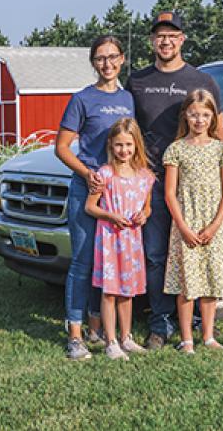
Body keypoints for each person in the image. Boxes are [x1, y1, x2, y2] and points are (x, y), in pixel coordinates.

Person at [118, 10, 223, 351]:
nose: (165, 41)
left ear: (181, 40)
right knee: (155, 254)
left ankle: (197, 326)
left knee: (196, 250)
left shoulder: (203, 81)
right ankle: (159, 324)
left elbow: (219, 133)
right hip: (151, 179)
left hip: (195, 183)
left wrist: (218, 172)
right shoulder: (137, 81)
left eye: (172, 35)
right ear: (153, 41)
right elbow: (127, 130)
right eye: (159, 36)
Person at [56, 35, 135, 361]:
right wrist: (87, 174)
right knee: (83, 261)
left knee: (108, 265)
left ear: (122, 60)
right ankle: (75, 334)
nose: (107, 63)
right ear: (93, 63)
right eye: (100, 58)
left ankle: (96, 328)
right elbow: (62, 147)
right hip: (88, 189)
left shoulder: (129, 99)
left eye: (113, 57)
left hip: (118, 193)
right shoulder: (82, 100)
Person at [162, 89, 223, 352]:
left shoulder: (220, 150)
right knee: (187, 284)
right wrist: (183, 227)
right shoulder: (176, 149)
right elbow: (170, 193)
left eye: (205, 115)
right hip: (186, 224)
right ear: (186, 116)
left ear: (213, 118)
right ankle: (186, 340)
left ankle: (208, 336)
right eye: (194, 115)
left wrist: (215, 225)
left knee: (210, 280)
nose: (199, 120)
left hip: (212, 224)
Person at [84, 118, 154, 360]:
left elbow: (147, 208)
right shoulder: (105, 174)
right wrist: (111, 216)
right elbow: (90, 207)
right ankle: (110, 340)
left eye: (128, 145)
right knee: (110, 292)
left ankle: (127, 337)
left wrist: (143, 215)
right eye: (118, 145)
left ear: (137, 145)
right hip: (110, 240)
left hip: (132, 241)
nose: (124, 150)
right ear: (110, 146)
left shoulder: (145, 176)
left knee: (128, 292)